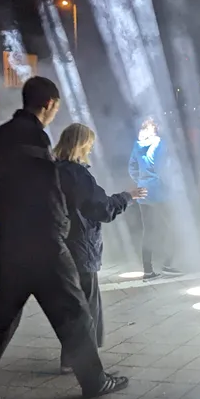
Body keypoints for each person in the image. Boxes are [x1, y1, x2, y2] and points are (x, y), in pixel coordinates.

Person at [0, 77, 128, 399]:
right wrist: (60, 229)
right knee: (75, 313)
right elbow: (46, 193)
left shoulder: (0, 136)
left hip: (9, 243)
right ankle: (94, 381)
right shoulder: (35, 137)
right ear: (49, 104)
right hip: (43, 244)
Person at [55, 123, 144, 372]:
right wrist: (126, 197)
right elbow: (102, 208)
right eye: (89, 145)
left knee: (71, 304)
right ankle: (85, 364)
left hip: (59, 245)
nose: (91, 150)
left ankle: (69, 359)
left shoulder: (53, 170)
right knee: (87, 305)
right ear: (81, 144)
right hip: (80, 246)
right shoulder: (77, 174)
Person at [129, 117, 179, 280]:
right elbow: (164, 168)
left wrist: (141, 181)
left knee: (148, 231)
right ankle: (168, 264)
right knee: (171, 227)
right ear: (156, 129)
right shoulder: (161, 144)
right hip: (161, 191)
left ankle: (148, 270)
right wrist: (168, 184)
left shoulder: (137, 145)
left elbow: (132, 167)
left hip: (143, 191)